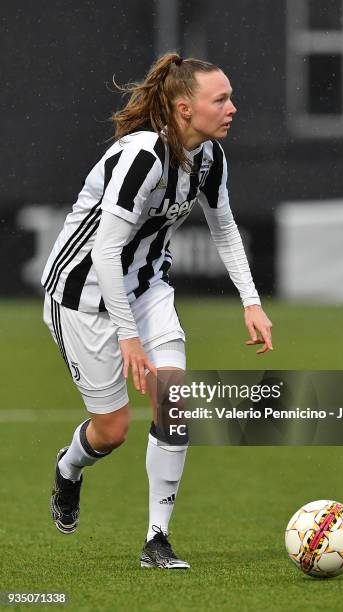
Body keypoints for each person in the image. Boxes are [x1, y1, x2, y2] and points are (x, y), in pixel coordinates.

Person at [42, 52, 273, 570]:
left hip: (147, 289)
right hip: (83, 297)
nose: (233, 108)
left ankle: (156, 540)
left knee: (174, 403)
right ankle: (69, 468)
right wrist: (128, 337)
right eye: (222, 99)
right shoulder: (142, 158)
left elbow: (225, 228)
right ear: (185, 109)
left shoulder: (210, 158)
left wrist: (252, 303)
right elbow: (103, 252)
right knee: (113, 430)